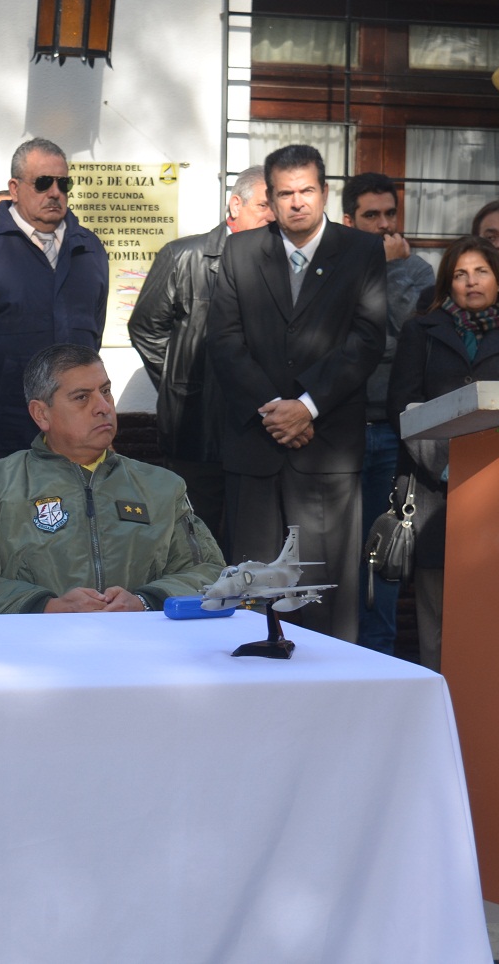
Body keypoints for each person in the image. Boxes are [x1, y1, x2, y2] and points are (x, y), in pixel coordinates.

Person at [206, 143, 387, 643]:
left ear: (325, 192)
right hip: (256, 447)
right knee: (256, 594)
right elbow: (223, 340)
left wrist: (306, 407)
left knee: (323, 595)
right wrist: (275, 412)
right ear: (272, 197)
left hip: (325, 449)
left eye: (307, 190)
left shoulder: (361, 251)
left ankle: (330, 704)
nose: (298, 202)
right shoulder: (241, 251)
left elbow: (367, 339)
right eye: (285, 193)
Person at [0, 344, 223, 615]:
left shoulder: (162, 487)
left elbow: (210, 573)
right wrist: (46, 606)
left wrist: (146, 601)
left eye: (105, 391)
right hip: (31, 657)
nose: (103, 407)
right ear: (41, 414)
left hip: (140, 655)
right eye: (82, 397)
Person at [387, 236, 499, 671]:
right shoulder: (420, 331)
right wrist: (447, 465)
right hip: (432, 494)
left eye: (481, 272)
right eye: (460, 274)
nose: (471, 282)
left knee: (496, 621)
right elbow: (402, 408)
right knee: (437, 625)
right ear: (447, 284)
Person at [0, 137, 109, 474]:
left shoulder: (89, 249)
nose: (54, 192)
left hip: (71, 434)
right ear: (15, 188)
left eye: (63, 183)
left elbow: (94, 330)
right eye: (43, 183)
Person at [128, 164, 273, 545]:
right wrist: (183, 382)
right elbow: (145, 328)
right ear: (235, 204)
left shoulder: (278, 263)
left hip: (258, 429)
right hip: (195, 427)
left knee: (251, 544)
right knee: (195, 540)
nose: (272, 215)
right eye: (264, 205)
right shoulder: (183, 255)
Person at [340, 171, 436, 655]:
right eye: (370, 216)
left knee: (383, 549)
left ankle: (376, 654)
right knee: (336, 551)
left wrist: (391, 270)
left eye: (389, 215)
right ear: (347, 220)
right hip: (337, 432)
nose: (382, 226)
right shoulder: (333, 270)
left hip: (392, 435)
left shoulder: (416, 273)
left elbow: (401, 332)